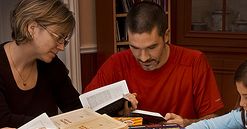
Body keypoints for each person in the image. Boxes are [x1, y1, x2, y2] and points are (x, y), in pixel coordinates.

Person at [0, 0, 83, 129]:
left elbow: (75, 107)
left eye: (64, 40)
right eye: (58, 38)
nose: (61, 47)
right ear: (32, 28)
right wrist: (52, 124)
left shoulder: (51, 64)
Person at [85, 1, 223, 119]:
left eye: (152, 47)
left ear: (166, 36)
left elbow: (212, 120)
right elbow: (86, 112)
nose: (144, 57)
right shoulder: (116, 63)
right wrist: (116, 113)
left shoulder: (194, 62)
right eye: (135, 48)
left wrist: (186, 123)